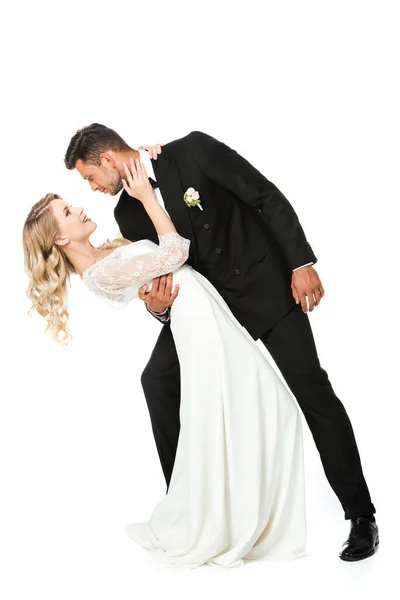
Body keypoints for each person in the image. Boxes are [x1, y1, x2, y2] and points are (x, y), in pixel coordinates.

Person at [63, 124, 378, 562]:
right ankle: (189, 512)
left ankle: (361, 516)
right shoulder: (128, 216)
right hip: (210, 311)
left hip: (267, 289)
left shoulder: (192, 151)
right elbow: (165, 275)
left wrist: (300, 261)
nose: (94, 188)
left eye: (90, 178)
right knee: (157, 381)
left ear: (107, 160)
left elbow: (264, 195)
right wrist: (157, 307)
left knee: (312, 391)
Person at [23, 158, 308, 570]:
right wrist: (144, 198)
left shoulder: (107, 252)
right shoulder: (98, 274)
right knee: (261, 408)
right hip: (198, 327)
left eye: (73, 201)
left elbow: (158, 280)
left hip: (205, 315)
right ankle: (219, 517)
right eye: (68, 212)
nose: (80, 207)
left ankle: (233, 509)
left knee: (267, 408)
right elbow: (176, 252)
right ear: (60, 239)